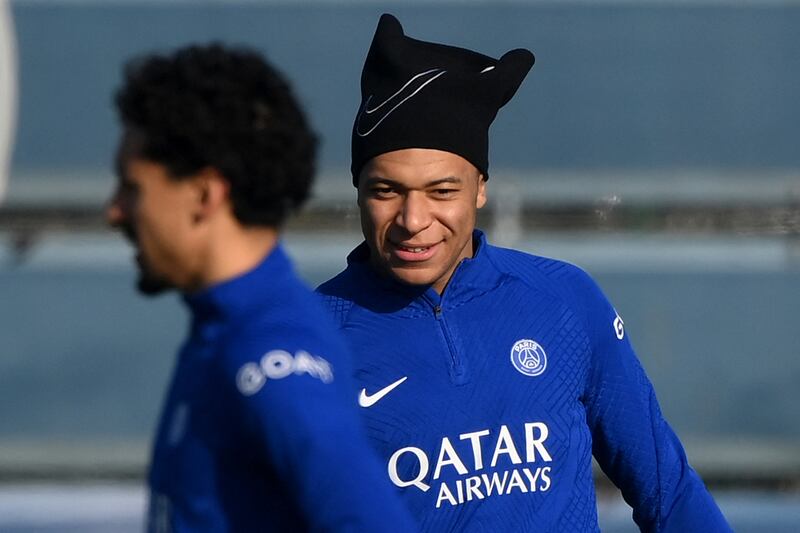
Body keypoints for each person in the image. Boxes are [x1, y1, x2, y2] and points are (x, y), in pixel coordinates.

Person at [317, 14, 732, 532]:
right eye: (386, 191)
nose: (413, 221)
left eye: (442, 192)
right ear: (358, 191)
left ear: (480, 188)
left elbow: (668, 494)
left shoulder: (564, 300)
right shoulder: (309, 343)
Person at [107, 43, 415, 532]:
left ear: (205, 194)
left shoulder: (271, 354)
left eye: (132, 188)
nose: (115, 211)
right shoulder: (223, 328)